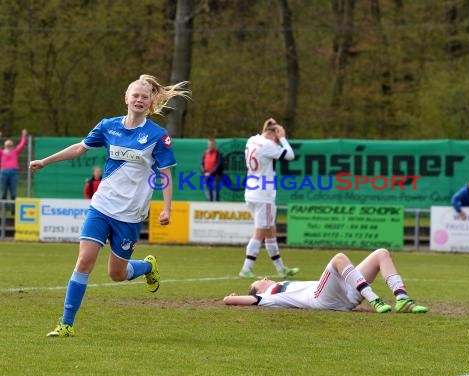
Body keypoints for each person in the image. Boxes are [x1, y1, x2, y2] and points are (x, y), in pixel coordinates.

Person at [29, 74, 190, 337]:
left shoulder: (157, 136)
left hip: (130, 214)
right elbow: (80, 148)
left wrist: (167, 207)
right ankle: (66, 324)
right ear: (126, 98)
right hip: (102, 206)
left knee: (117, 274)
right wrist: (45, 161)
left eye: (144, 97)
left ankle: (148, 266)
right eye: (135, 95)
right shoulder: (108, 126)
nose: (139, 99)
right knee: (84, 261)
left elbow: (165, 174)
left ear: (150, 103)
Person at [225, 248, 428, 314]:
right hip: (322, 299)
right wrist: (232, 298)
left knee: (381, 254)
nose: (266, 278)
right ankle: (374, 299)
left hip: (343, 294)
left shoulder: (280, 286)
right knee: (339, 258)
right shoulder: (266, 296)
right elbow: (238, 300)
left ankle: (402, 300)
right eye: (261, 280)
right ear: (257, 290)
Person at [239, 118, 299, 279]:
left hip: (251, 191)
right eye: (277, 136)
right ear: (274, 134)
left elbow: (265, 135)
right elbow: (290, 155)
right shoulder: (269, 145)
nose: (277, 140)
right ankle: (246, 268)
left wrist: (270, 129)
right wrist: (283, 138)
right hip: (263, 195)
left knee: (270, 231)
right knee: (259, 233)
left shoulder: (252, 140)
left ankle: (281, 269)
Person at [0, 129, 28, 211]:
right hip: (3, 173)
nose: (9, 147)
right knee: (4, 192)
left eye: (10, 146)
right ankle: (3, 208)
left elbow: (22, 144)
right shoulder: (1, 153)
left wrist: (24, 135)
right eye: (7, 146)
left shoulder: (15, 152)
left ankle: (13, 209)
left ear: (12, 146)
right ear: (5, 146)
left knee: (13, 193)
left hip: (13, 173)